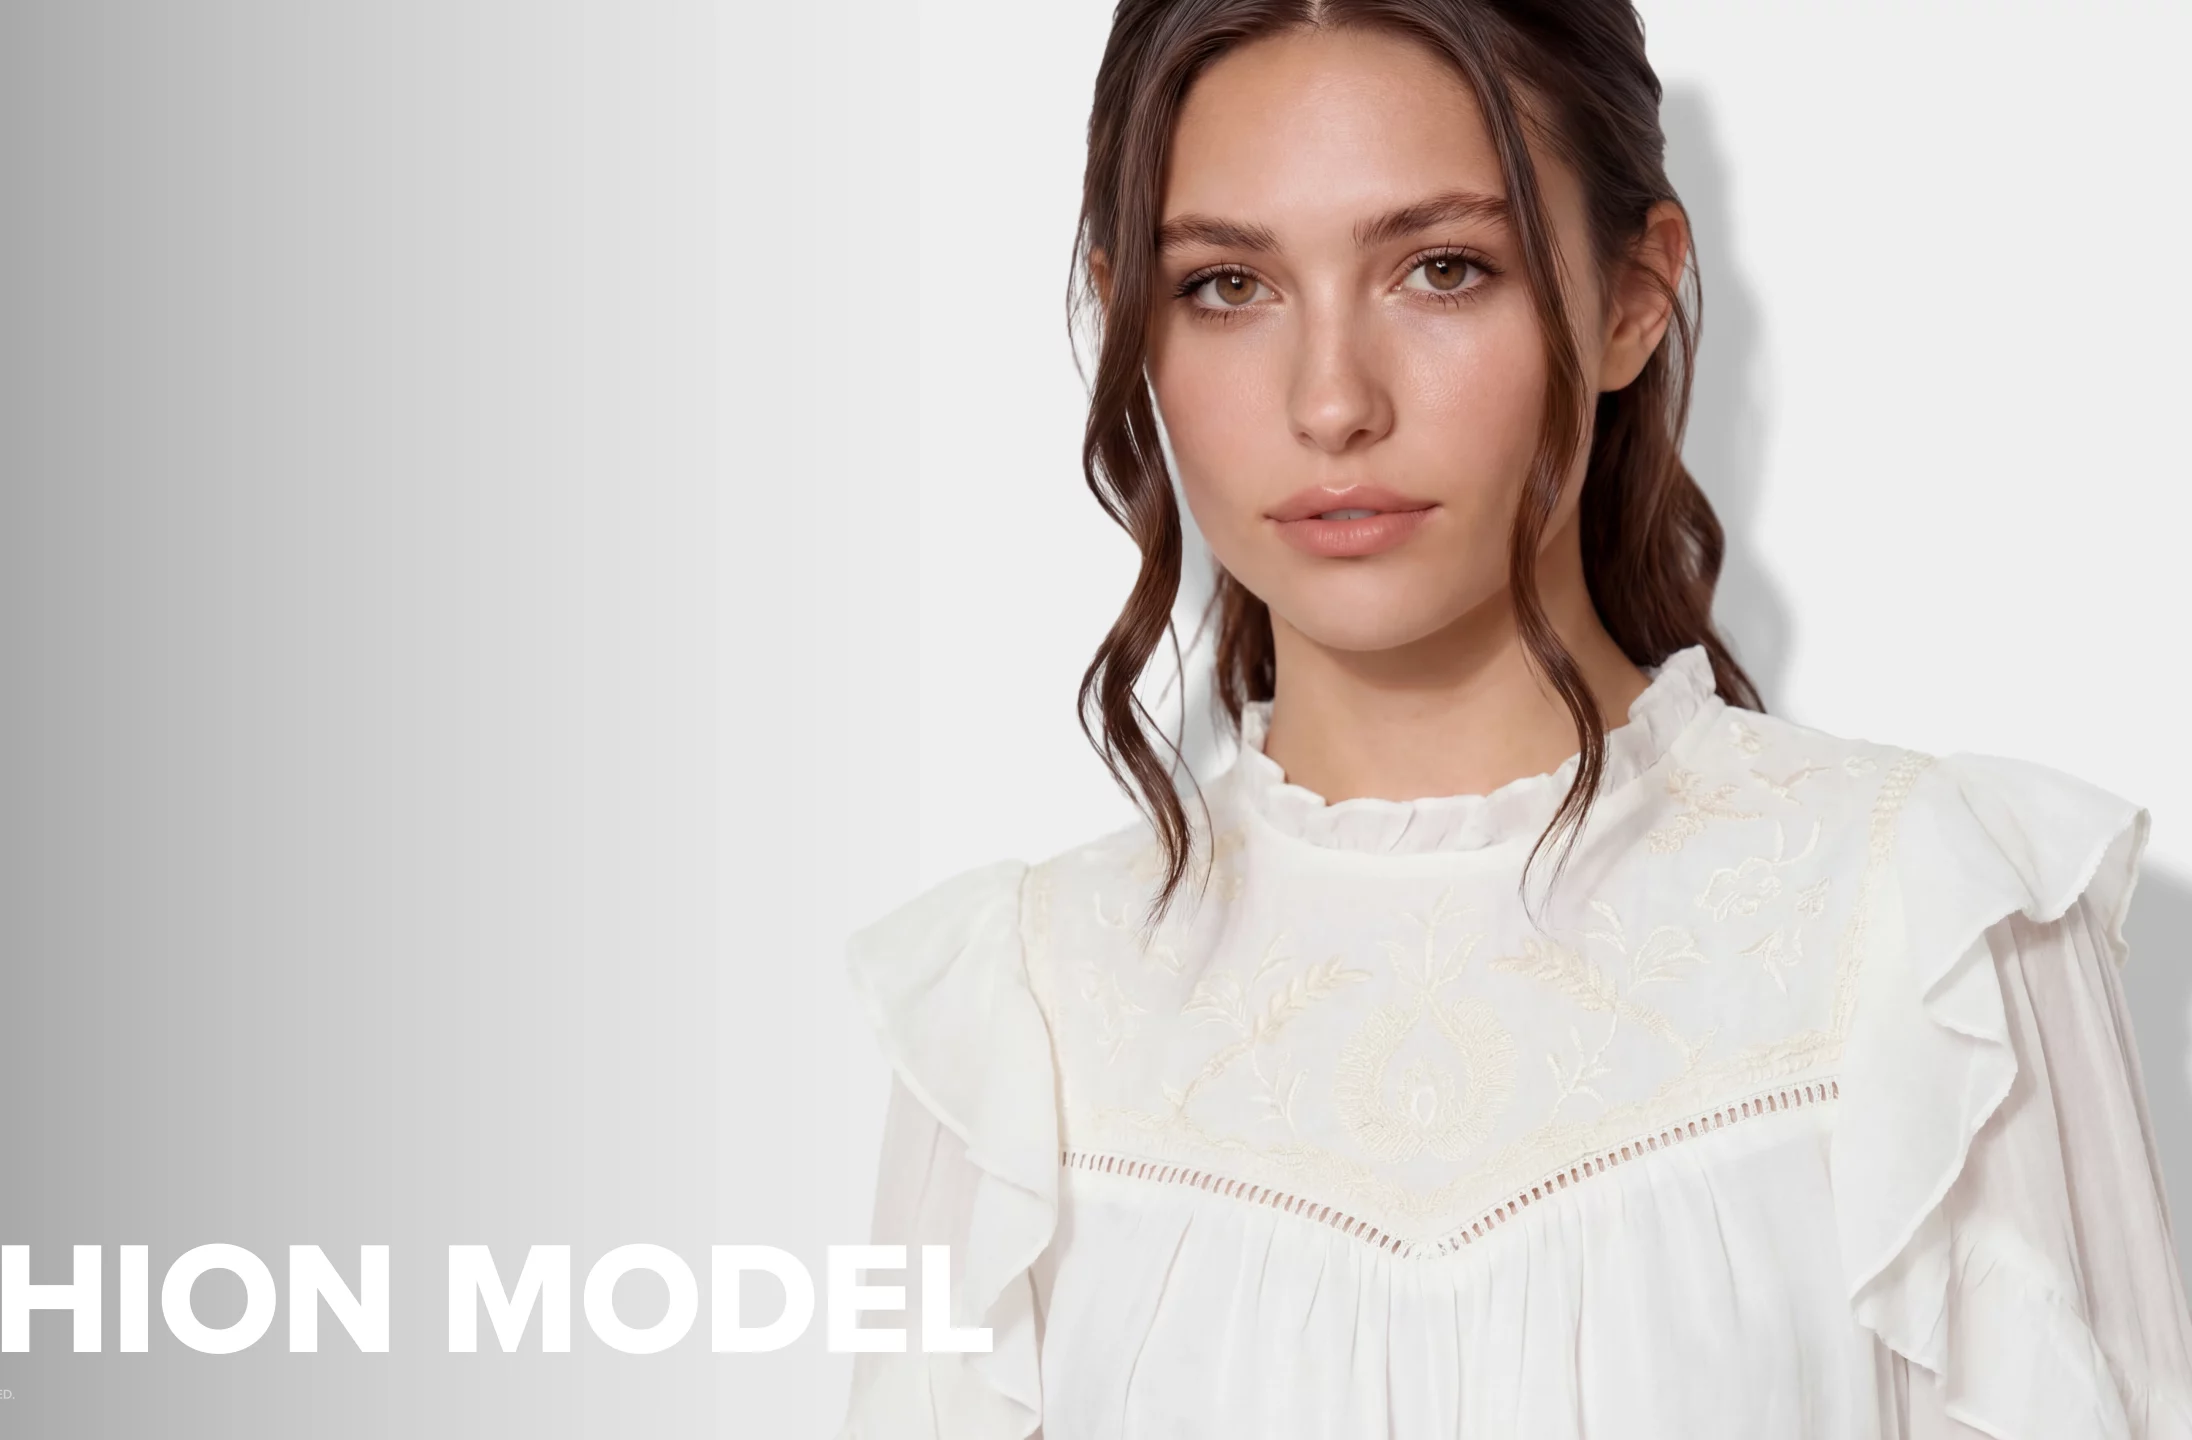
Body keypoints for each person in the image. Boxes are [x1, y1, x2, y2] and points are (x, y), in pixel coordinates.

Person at [835, 2, 2192, 1437]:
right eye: (1228, 286)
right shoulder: (1017, 1016)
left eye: (1442, 269)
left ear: (1634, 295)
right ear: (1128, 321)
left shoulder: (1932, 929)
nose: (1333, 402)